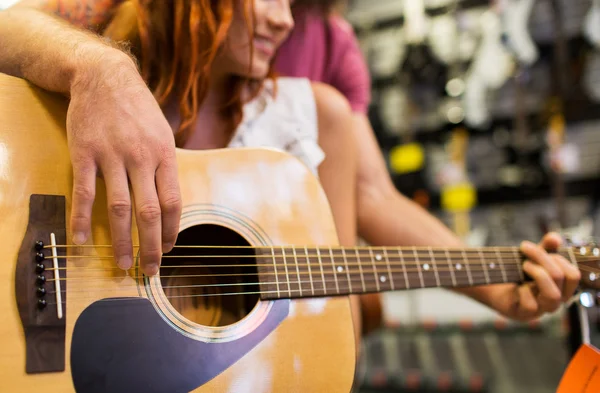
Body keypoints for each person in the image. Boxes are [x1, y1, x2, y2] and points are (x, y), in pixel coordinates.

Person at [0, 0, 579, 344]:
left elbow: (375, 197)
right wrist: (98, 69)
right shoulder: (101, 21)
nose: (285, 19)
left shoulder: (313, 104)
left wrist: (503, 289)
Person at [275, 0, 581, 327]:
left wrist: (500, 290)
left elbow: (372, 195)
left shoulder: (331, 40)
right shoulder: (227, 32)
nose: (275, 17)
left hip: (295, 322)